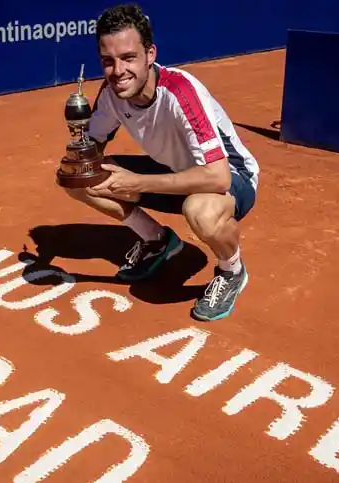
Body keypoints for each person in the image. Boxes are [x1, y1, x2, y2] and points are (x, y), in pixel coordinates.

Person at [61, 3, 260, 322]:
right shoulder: (111, 94)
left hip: (232, 176)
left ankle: (231, 270)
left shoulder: (181, 92)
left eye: (128, 58)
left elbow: (219, 177)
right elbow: (92, 147)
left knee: (200, 211)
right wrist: (79, 160)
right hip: (173, 172)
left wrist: (137, 183)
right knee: (80, 178)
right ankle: (158, 241)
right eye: (108, 61)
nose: (118, 71)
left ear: (150, 54)